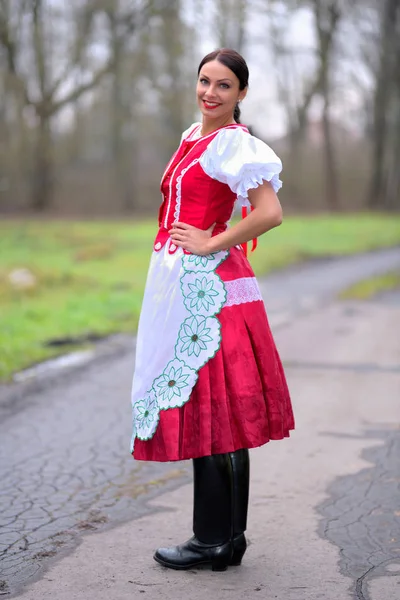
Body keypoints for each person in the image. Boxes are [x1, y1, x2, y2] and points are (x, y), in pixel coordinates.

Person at [130, 48, 294, 572]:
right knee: (212, 405)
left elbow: (270, 213)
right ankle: (225, 538)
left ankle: (215, 540)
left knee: (215, 406)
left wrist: (211, 241)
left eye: (224, 86)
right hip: (181, 281)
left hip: (210, 288)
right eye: (205, 81)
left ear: (241, 94)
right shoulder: (192, 137)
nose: (210, 93)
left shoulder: (233, 144)